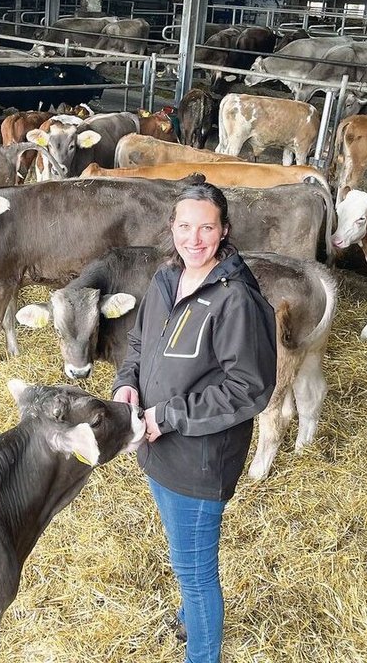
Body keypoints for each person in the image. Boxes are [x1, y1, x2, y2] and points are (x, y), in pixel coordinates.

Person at [112, 181, 277, 662]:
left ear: (225, 231)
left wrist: (169, 414)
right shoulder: (165, 280)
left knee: (196, 574)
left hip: (200, 461)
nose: (194, 238)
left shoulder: (236, 299)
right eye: (185, 226)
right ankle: (188, 621)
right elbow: (140, 345)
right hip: (157, 447)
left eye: (206, 227)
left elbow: (249, 387)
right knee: (182, 554)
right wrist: (127, 384)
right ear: (172, 228)